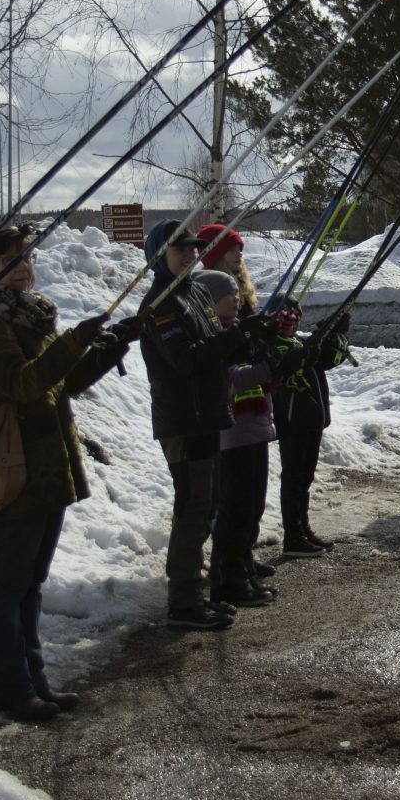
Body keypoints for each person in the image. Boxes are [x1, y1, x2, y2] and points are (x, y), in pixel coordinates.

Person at [0, 224, 127, 725]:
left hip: (46, 466)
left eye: (26, 260)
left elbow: (65, 382)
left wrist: (109, 347)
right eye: (11, 262)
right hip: (13, 469)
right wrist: (71, 341)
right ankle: (10, 688)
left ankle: (34, 680)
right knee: (9, 585)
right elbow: (23, 384)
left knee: (31, 584)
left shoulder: (33, 318)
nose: (23, 269)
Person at [134, 220, 254, 631]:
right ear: (159, 257)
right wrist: (232, 340)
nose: (189, 255)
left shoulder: (195, 291)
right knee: (192, 509)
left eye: (192, 248)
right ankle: (183, 603)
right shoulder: (161, 303)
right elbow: (185, 360)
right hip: (184, 422)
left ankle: (194, 595)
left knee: (205, 508)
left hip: (207, 416)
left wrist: (248, 333)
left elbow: (215, 347)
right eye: (179, 249)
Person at [195, 226, 279, 609]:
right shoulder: (212, 324)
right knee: (235, 504)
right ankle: (229, 573)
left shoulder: (236, 315)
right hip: (233, 428)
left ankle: (241, 561)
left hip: (253, 420)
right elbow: (228, 375)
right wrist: (265, 367)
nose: (240, 256)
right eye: (233, 250)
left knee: (252, 501)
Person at [271, 296, 355, 557]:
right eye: (283, 317)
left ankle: (302, 527)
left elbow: (325, 360)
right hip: (292, 421)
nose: (289, 321)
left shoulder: (299, 343)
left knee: (305, 477)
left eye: (294, 316)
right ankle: (292, 535)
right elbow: (293, 363)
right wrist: (315, 342)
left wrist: (331, 335)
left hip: (312, 421)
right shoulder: (275, 347)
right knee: (294, 477)